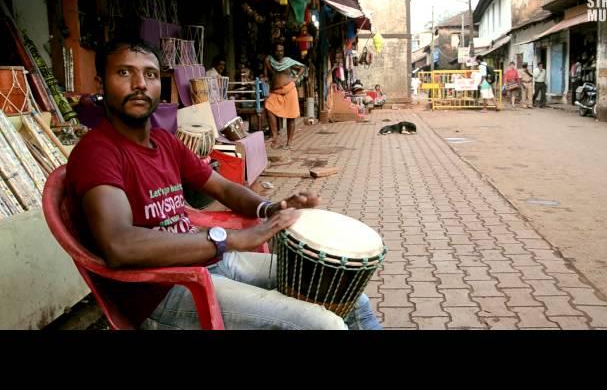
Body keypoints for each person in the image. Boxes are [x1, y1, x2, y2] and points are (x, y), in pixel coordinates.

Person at [65, 37, 382, 330]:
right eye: (124, 73)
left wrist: (270, 208)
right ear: (100, 82)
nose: (139, 85)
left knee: (348, 296)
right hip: (161, 291)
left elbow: (223, 188)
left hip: (209, 262)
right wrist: (226, 239)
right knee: (325, 325)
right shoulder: (97, 153)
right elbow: (120, 246)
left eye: (149, 75)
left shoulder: (164, 142)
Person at [264, 43, 305, 150]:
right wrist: (266, 63)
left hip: (289, 90)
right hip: (276, 91)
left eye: (282, 50)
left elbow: (302, 68)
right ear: (273, 51)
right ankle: (274, 136)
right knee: (269, 107)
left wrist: (296, 78)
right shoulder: (270, 61)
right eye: (277, 50)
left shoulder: (288, 61)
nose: (280, 53)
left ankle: (289, 142)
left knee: (291, 117)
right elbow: (268, 74)